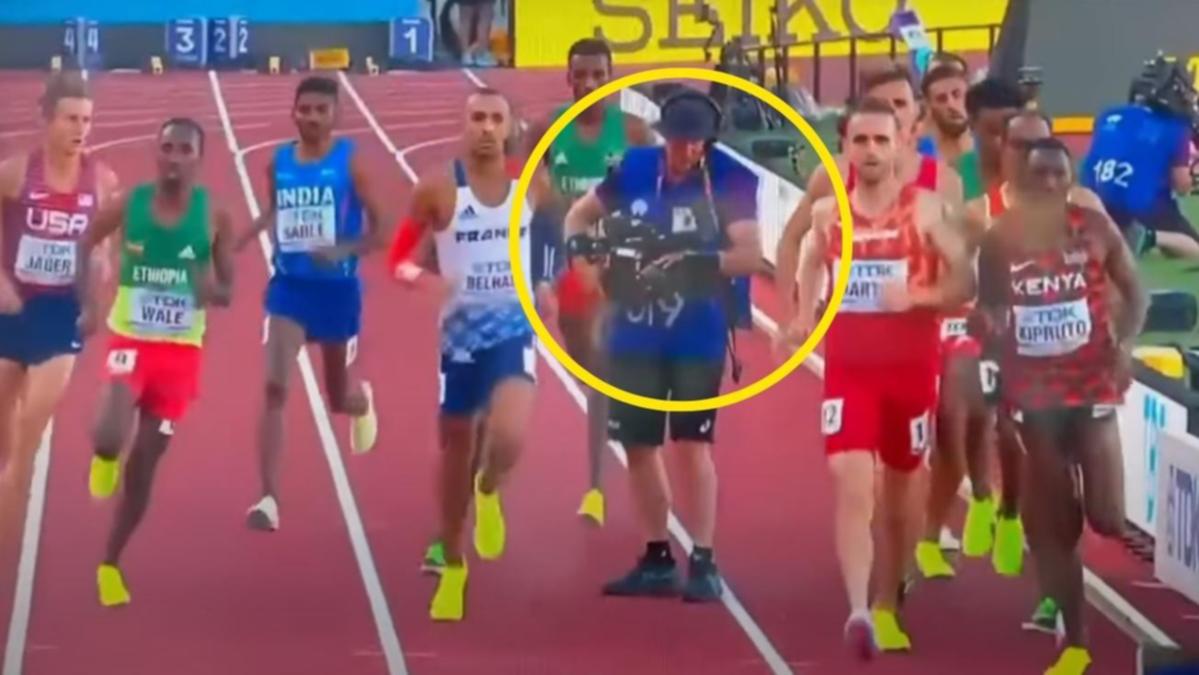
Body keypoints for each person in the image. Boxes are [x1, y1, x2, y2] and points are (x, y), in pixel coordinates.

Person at [789, 98, 973, 657]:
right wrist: (801, 315)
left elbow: (963, 283)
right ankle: (858, 609)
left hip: (911, 373)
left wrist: (917, 295)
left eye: (880, 140)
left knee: (900, 499)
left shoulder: (926, 212)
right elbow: (810, 260)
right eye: (860, 140)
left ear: (899, 147)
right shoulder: (830, 216)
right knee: (850, 480)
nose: (870, 150)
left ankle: (892, 599)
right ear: (845, 148)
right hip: (850, 374)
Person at [564, 89, 762, 603]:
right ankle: (656, 556)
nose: (688, 151)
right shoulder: (633, 168)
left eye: (697, 143)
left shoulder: (730, 178)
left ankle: (704, 557)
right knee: (638, 444)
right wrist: (588, 271)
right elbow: (577, 219)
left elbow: (749, 254)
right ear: (664, 136)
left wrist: (695, 262)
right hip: (634, 331)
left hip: (697, 331)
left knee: (693, 445)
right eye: (679, 142)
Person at [977, 137, 1147, 675]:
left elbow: (1136, 292)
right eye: (1039, 176)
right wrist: (991, 332)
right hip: (1033, 394)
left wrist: (1125, 345)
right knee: (1057, 528)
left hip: (1093, 384)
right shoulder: (1001, 239)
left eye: (1059, 176)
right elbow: (989, 308)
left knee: (1108, 517)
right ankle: (1076, 642)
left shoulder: (1095, 229)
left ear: (1069, 181)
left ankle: (1065, 523)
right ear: (1022, 183)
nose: (1049, 185)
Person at [405, 87, 556, 621]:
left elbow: (554, 230)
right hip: (460, 336)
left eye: (496, 118)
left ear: (510, 126)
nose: (487, 128)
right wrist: (423, 280)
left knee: (510, 433)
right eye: (477, 118)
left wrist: (543, 280)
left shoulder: (530, 182)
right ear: (463, 124)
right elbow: (400, 256)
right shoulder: (437, 187)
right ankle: (452, 563)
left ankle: (489, 489)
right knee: (456, 447)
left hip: (514, 328)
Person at [78, 118, 234, 606]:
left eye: (183, 148)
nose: (172, 156)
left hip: (180, 355)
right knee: (108, 434)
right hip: (131, 341)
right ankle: (104, 455)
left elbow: (227, 289)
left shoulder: (215, 217)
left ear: (197, 158)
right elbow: (84, 242)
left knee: (144, 465)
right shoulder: (131, 203)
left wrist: (212, 289)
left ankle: (110, 564)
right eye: (165, 147)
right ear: (156, 152)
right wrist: (88, 304)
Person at [240, 76, 386, 532]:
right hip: (289, 289)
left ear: (336, 114)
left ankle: (361, 403)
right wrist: (234, 243)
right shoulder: (279, 162)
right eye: (304, 109)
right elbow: (272, 212)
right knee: (274, 387)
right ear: (294, 112)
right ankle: (268, 498)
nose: (312, 117)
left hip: (337, 292)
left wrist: (343, 251)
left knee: (336, 397)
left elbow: (381, 230)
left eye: (321, 110)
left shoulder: (352, 164)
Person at [524, 37, 652, 528]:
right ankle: (615, 399)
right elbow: (532, 187)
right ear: (569, 77)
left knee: (598, 372)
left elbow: (661, 184)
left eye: (599, 74)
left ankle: (594, 488)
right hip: (572, 268)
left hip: (620, 267)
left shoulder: (635, 132)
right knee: (586, 367)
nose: (590, 84)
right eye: (581, 75)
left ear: (612, 74)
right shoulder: (548, 129)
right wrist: (553, 203)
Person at [0, 72, 118, 537]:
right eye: (70, 118)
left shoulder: (101, 179)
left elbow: (105, 243)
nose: (80, 128)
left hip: (60, 315)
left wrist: (100, 274)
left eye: (87, 119)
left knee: (29, 432)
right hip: (11, 311)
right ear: (45, 118)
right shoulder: (15, 172)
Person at [776, 64, 963, 353]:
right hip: (853, 341)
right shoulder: (835, 175)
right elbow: (791, 239)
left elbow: (958, 265)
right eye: (880, 105)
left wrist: (925, 299)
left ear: (917, 112)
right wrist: (791, 316)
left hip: (917, 337)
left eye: (900, 104)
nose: (891, 113)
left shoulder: (943, 181)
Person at [1081, 55, 1199, 259]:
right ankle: (1149, 238)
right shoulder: (1176, 128)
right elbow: (1181, 185)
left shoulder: (1108, 114)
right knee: (1193, 247)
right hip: (1141, 206)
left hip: (1094, 203)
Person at [918, 63, 973, 167]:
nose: (951, 104)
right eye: (941, 99)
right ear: (929, 106)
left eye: (957, 95)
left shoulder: (988, 144)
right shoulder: (919, 152)